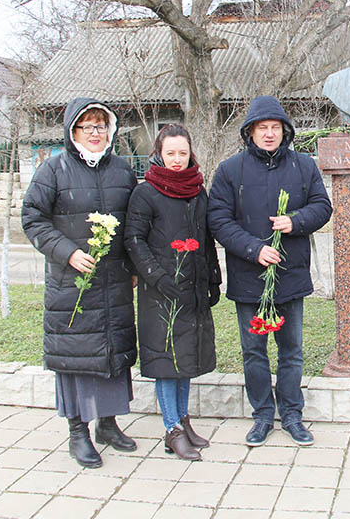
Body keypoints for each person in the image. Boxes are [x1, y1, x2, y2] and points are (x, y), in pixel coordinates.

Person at [207, 95, 333, 447]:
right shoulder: (230, 170)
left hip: (290, 274)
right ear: (250, 132)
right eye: (261, 128)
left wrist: (295, 221)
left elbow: (323, 206)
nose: (268, 134)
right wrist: (254, 248)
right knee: (254, 351)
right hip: (249, 277)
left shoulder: (303, 166)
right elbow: (218, 218)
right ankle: (262, 415)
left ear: (285, 131)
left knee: (291, 351)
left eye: (275, 127)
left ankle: (292, 415)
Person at [22, 98, 138, 469]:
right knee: (75, 356)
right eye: (87, 126)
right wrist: (68, 253)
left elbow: (134, 224)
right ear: (73, 131)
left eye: (100, 125)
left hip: (114, 281)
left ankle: (108, 423)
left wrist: (134, 266)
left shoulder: (122, 169)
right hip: (71, 284)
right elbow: (33, 219)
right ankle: (78, 431)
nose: (94, 133)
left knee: (113, 352)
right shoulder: (53, 170)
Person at [124, 125, 221, 461]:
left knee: (186, 358)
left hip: (192, 288)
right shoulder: (146, 193)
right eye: (170, 153)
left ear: (190, 153)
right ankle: (172, 429)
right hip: (161, 292)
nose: (177, 160)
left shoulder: (197, 191)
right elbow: (134, 240)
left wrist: (212, 278)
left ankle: (183, 420)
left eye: (182, 153)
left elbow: (206, 240)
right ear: (159, 154)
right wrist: (158, 277)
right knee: (167, 360)